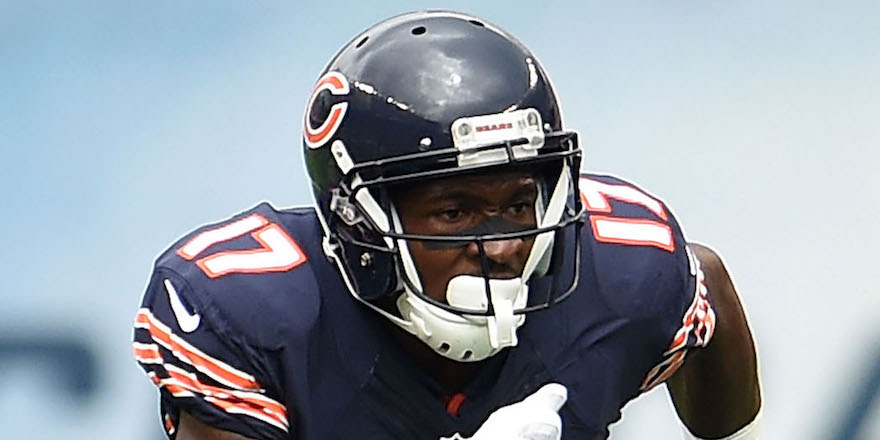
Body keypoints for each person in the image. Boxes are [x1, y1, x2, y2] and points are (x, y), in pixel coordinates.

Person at [132, 10, 761, 440]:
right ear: (359, 220)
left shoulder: (625, 271)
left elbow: (723, 411)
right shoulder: (250, 312)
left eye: (519, 203)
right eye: (455, 212)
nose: (503, 243)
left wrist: (695, 287)